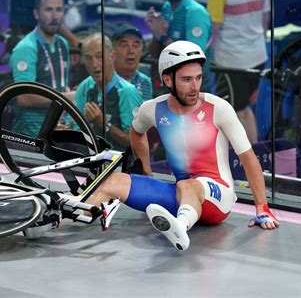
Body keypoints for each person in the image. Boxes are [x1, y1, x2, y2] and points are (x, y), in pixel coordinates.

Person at [83, 40, 278, 251]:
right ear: (168, 79)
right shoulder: (153, 109)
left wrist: (262, 207)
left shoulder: (219, 108)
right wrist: (146, 168)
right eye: (186, 79)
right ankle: (69, 215)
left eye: (198, 78)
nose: (195, 86)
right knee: (111, 182)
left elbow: (248, 158)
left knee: (188, 185)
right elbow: (136, 131)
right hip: (180, 193)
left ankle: (179, 228)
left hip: (218, 198)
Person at [207, 0, 270, 144]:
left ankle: (248, 162)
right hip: (258, 57)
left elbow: (214, 29)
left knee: (235, 113)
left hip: (232, 62)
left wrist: (204, 56)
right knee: (244, 109)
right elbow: (265, 19)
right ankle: (255, 158)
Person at [9, 0, 74, 137]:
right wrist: (69, 98)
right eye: (48, 10)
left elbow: (61, 84)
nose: (54, 16)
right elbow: (24, 98)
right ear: (36, 14)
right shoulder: (27, 48)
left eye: (59, 10)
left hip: (59, 128)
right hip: (32, 133)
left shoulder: (62, 43)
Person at [73, 33, 143, 150]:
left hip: (118, 166)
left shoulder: (127, 92)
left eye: (100, 57)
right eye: (88, 58)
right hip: (87, 163)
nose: (94, 64)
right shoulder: (84, 87)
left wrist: (103, 124)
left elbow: (135, 142)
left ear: (112, 56)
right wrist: (66, 132)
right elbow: (76, 130)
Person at [145, 0, 212, 92]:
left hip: (192, 91)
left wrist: (164, 37)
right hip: (170, 86)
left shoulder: (195, 13)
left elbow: (193, 58)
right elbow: (155, 54)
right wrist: (156, 32)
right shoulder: (167, 7)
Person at [112, 23, 153, 101]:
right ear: (112, 51)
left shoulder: (145, 82)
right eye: (124, 45)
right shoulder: (102, 80)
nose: (131, 51)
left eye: (135, 46)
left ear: (141, 51)